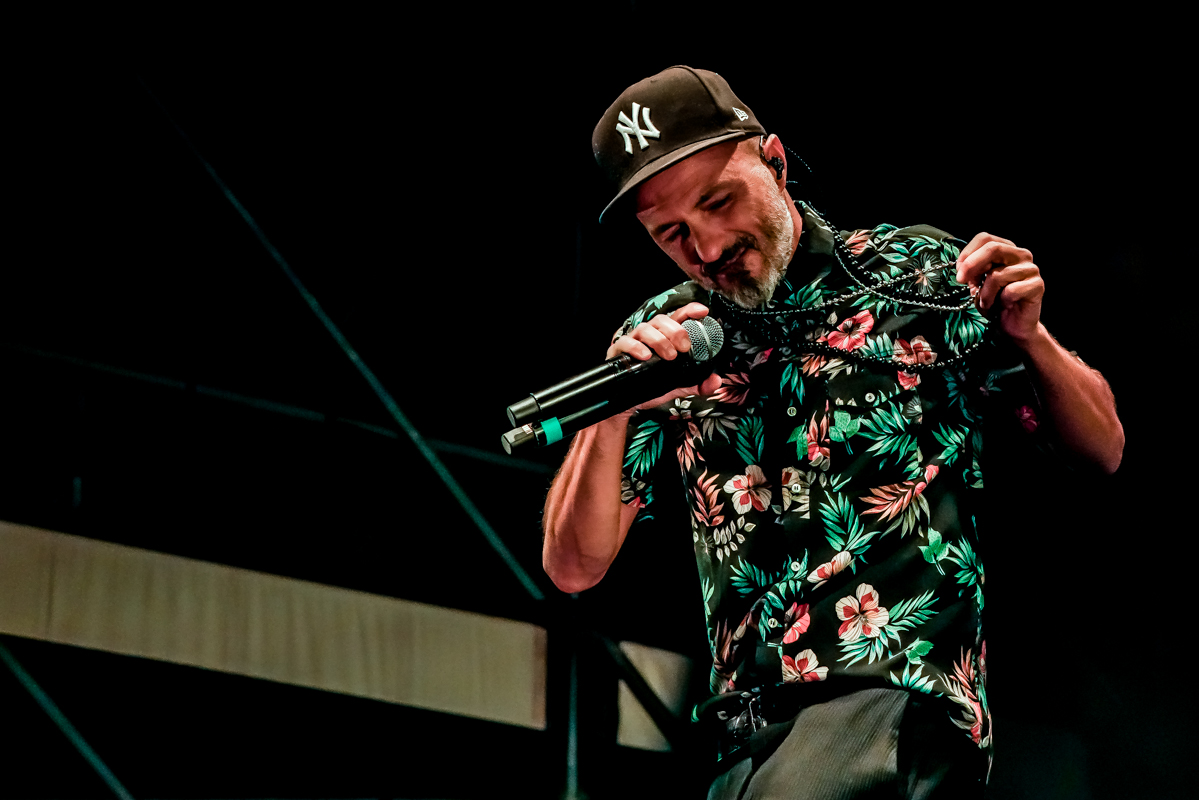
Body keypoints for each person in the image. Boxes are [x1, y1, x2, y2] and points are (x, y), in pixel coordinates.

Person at [542, 66, 1123, 799]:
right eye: (672, 233)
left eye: (718, 201)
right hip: (742, 737)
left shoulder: (911, 272)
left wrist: (1031, 340)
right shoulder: (668, 338)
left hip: (888, 698)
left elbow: (1101, 448)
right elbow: (573, 567)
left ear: (775, 162)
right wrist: (614, 407)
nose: (707, 246)